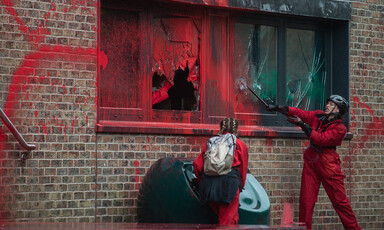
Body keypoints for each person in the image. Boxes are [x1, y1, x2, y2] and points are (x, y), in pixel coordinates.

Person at [267, 95, 360, 230]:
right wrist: (279, 108)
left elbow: (320, 139)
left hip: (329, 164)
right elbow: (301, 113)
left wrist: (302, 125)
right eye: (327, 103)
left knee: (340, 202)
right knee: (306, 201)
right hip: (312, 160)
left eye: (331, 104)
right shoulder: (318, 116)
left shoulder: (340, 129)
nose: (327, 105)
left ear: (338, 110)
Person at [193, 117, 249, 225]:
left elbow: (197, 165)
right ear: (236, 129)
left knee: (221, 218)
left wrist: (202, 182)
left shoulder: (211, 142)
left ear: (221, 128)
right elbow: (243, 170)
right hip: (230, 185)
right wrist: (240, 185)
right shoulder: (240, 145)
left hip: (208, 185)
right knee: (228, 222)